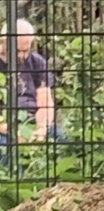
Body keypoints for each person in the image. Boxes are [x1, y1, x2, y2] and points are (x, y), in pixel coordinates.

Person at [0, 19, 61, 148]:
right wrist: (12, 131)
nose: (22, 55)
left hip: (33, 122)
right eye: (18, 50)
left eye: (26, 50)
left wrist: (41, 129)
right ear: (3, 43)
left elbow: (45, 102)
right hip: (4, 127)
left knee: (63, 141)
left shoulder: (37, 62)